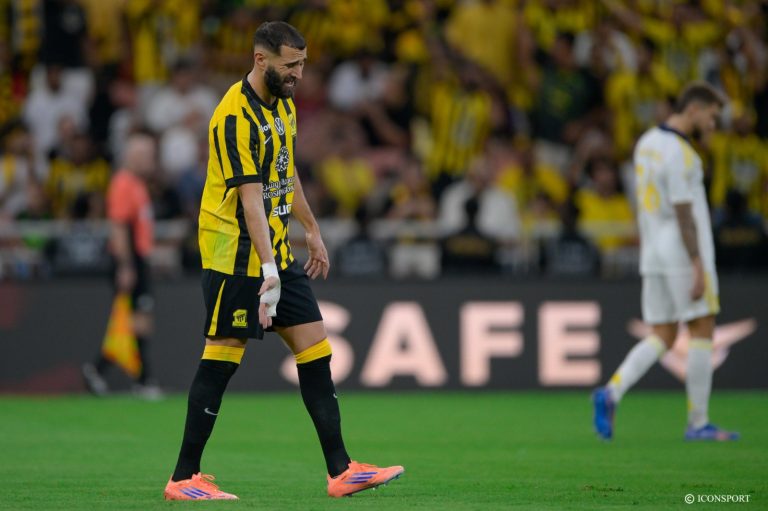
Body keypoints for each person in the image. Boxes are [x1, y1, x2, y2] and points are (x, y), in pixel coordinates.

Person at [163, 22, 404, 501]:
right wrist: (269, 270)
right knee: (221, 357)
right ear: (261, 60)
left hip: (274, 248)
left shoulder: (284, 104)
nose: (299, 74)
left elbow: (284, 173)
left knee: (315, 348)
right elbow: (251, 199)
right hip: (235, 254)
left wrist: (311, 230)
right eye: (290, 65)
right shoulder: (234, 116)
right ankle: (183, 478)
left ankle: (342, 470)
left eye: (302, 64)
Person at [592, 82, 739, 442]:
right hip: (681, 252)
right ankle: (698, 422)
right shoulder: (682, 154)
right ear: (693, 110)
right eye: (711, 117)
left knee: (664, 333)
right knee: (702, 327)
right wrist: (697, 262)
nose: (713, 125)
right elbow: (684, 213)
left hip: (653, 250)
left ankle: (612, 391)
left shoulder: (646, 143)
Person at [82, 133, 163, 399]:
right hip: (130, 260)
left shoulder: (137, 184)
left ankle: (99, 370)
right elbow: (119, 227)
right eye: (147, 155)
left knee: (131, 322)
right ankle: (142, 380)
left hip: (138, 259)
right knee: (137, 321)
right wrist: (126, 265)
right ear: (134, 156)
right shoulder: (123, 183)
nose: (151, 161)